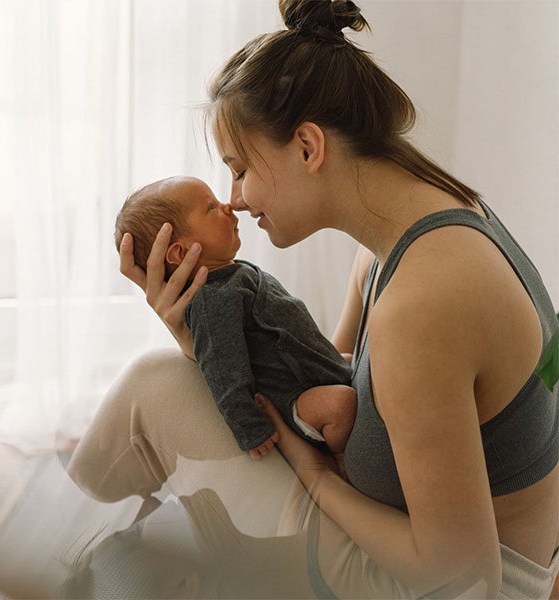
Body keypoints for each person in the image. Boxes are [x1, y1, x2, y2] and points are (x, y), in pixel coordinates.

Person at [72, 0, 559, 597]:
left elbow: (464, 577)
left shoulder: (421, 305)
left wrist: (315, 480)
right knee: (171, 381)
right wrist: (196, 332)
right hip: (487, 553)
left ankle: (57, 535)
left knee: (152, 386)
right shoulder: (428, 229)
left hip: (447, 586)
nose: (238, 200)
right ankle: (86, 536)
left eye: (240, 169)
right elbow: (320, 378)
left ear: (308, 147)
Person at [114, 175, 356, 457]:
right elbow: (223, 370)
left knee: (351, 362)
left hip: (314, 373)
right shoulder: (212, 298)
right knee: (341, 404)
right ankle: (341, 463)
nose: (228, 205)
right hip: (292, 399)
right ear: (180, 252)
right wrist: (251, 428)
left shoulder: (233, 274)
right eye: (211, 208)